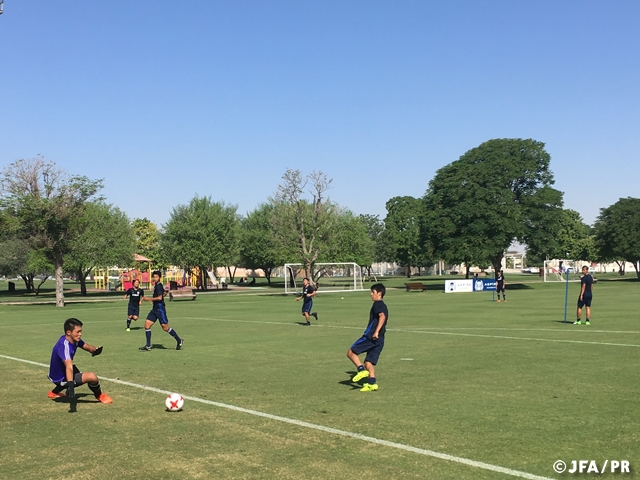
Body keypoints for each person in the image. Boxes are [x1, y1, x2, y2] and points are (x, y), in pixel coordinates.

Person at [47, 318, 112, 404]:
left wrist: (94, 351)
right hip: (59, 378)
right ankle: (99, 395)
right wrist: (70, 386)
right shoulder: (64, 347)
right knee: (92, 377)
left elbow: (87, 347)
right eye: (78, 332)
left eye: (81, 331)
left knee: (75, 371)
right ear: (69, 332)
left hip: (59, 373)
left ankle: (53, 393)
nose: (80, 334)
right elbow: (69, 366)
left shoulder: (72, 340)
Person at [347, 283, 388, 392]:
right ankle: (372, 383)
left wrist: (376, 331)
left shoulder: (377, 304)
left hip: (371, 337)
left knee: (351, 352)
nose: (371, 294)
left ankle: (361, 370)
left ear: (379, 294)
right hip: (380, 339)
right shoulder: (383, 305)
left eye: (373, 292)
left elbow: (382, 316)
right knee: (368, 362)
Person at [139, 271, 184, 351]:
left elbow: (160, 298)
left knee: (165, 327)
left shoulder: (159, 286)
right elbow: (163, 293)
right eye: (154, 277)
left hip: (160, 309)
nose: (155, 278)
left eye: (156, 277)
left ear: (159, 277)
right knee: (147, 325)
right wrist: (156, 298)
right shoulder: (157, 285)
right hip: (155, 309)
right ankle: (148, 346)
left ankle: (179, 340)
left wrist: (149, 299)